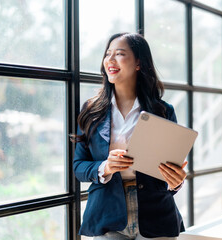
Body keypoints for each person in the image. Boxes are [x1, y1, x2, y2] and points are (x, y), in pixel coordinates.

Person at [71, 32, 187, 240]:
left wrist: (176, 181)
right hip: (106, 214)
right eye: (108, 54)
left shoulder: (162, 110)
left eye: (120, 54)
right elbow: (78, 167)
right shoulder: (91, 111)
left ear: (138, 63)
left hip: (156, 215)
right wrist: (105, 166)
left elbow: (170, 170)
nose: (110, 60)